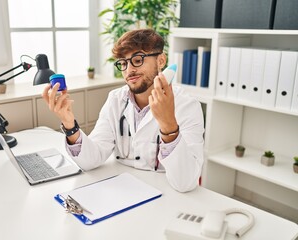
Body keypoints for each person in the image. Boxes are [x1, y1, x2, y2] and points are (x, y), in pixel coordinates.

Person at [42, 29, 204, 192]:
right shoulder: (115, 100)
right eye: (124, 63)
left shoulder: (187, 105)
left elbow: (185, 183)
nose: (129, 70)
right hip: (122, 190)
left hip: (168, 196)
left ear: (161, 60)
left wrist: (168, 124)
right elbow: (92, 159)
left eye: (138, 59)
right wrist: (69, 125)